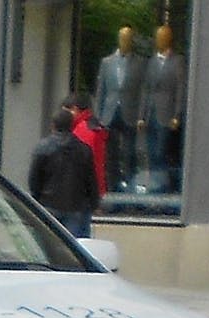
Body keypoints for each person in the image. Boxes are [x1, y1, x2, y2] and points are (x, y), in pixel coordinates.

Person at [29, 109, 99, 238]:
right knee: (76, 248)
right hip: (76, 206)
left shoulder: (42, 148)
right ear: (72, 126)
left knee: (49, 246)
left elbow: (34, 180)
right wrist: (93, 203)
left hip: (49, 204)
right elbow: (91, 181)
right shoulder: (84, 150)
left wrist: (37, 200)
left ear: (53, 125)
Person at [94, 24, 144, 192]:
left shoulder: (140, 63)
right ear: (118, 39)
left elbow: (143, 91)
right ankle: (113, 190)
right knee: (111, 156)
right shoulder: (107, 62)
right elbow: (101, 89)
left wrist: (141, 116)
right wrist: (99, 116)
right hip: (110, 113)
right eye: (123, 38)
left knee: (129, 154)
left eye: (128, 39)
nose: (125, 41)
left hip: (130, 112)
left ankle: (130, 192)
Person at [138, 25, 186, 194]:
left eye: (162, 37)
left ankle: (163, 190)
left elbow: (180, 89)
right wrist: (141, 116)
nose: (159, 40)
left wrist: (177, 115)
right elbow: (145, 89)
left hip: (166, 114)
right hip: (151, 115)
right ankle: (154, 188)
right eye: (157, 37)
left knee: (162, 153)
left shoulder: (177, 61)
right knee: (151, 154)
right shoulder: (151, 62)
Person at [63, 91, 109, 199]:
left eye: (66, 112)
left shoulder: (82, 130)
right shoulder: (91, 126)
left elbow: (83, 165)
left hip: (82, 194)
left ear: (74, 109)